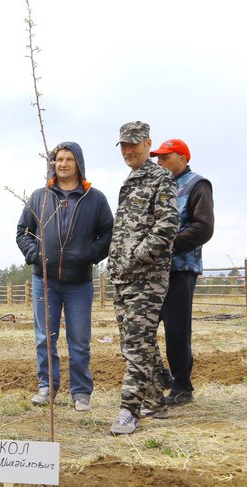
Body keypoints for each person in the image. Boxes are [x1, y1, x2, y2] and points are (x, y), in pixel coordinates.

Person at [16, 141, 114, 412]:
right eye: (59, 159)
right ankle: (47, 387)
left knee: (79, 340)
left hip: (79, 282)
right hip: (44, 280)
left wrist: (89, 254)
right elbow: (23, 231)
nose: (63, 163)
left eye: (69, 159)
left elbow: (108, 233)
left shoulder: (94, 198)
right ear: (53, 163)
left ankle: (81, 392)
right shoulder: (39, 197)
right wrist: (35, 255)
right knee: (44, 337)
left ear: (79, 163)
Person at [107, 122, 179, 435]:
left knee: (136, 347)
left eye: (133, 144)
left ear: (148, 144)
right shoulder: (131, 180)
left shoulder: (159, 177)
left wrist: (137, 257)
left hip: (147, 278)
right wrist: (117, 263)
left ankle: (129, 410)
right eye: (123, 145)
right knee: (138, 343)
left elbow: (167, 226)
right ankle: (155, 403)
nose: (128, 150)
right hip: (123, 277)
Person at [151, 139, 214, 406]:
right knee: (144, 328)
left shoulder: (197, 185)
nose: (160, 162)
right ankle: (162, 377)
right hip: (153, 270)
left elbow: (203, 227)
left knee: (176, 329)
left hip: (180, 269)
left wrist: (167, 247)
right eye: (158, 158)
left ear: (184, 158)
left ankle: (182, 385)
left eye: (166, 157)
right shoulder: (159, 187)